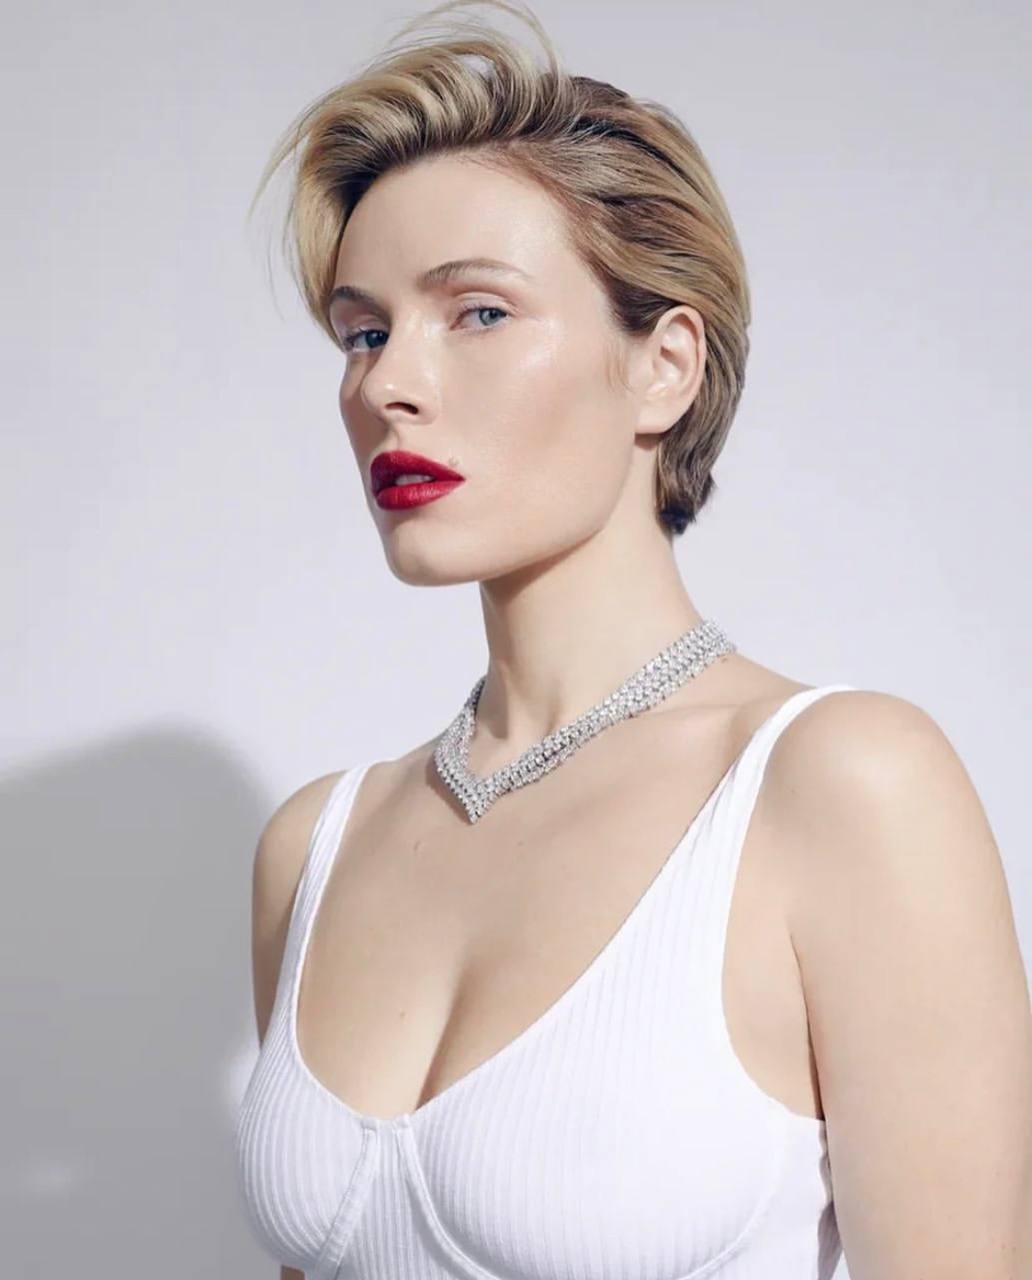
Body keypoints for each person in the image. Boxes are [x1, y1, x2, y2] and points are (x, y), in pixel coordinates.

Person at [233, 2, 1032, 1277]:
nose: (387, 384)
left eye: (477, 312)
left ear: (664, 366)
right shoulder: (314, 847)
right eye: (364, 330)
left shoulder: (842, 783)